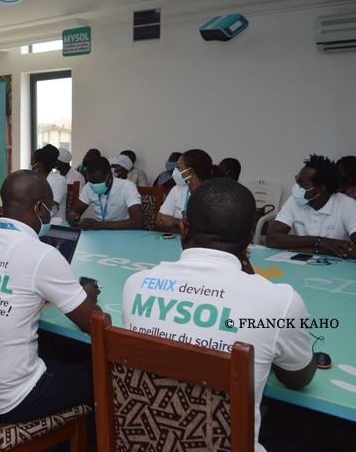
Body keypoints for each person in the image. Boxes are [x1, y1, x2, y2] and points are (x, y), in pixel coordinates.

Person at [122, 178, 316, 452]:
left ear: (184, 227)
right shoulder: (280, 302)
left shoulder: (136, 285)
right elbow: (297, 379)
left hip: (144, 441)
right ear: (249, 239)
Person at [0, 169, 100, 432]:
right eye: (51, 208)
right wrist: (86, 297)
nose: (51, 215)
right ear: (39, 207)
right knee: (100, 377)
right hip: (14, 397)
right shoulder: (42, 255)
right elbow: (96, 324)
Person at [266, 154, 356, 259]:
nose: (296, 187)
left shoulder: (348, 205)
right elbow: (271, 239)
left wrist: (317, 250)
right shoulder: (294, 201)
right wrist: (318, 241)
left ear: (320, 188)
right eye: (297, 181)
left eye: (302, 184)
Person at [68, 156, 143, 230]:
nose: (94, 185)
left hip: (124, 233)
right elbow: (74, 211)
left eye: (98, 181)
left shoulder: (127, 187)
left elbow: (138, 222)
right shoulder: (88, 187)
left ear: (109, 175)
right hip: (101, 233)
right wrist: (73, 217)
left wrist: (100, 225)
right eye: (91, 181)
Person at [155, 149, 221, 233]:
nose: (176, 171)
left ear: (190, 171)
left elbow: (207, 230)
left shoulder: (212, 193)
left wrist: (176, 222)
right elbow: (159, 221)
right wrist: (186, 230)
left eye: (179, 167)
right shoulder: (177, 190)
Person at [30, 144, 67, 221]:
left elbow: (49, 206)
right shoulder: (32, 179)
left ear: (39, 165)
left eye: (31, 163)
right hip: (35, 220)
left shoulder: (59, 180)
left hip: (54, 222)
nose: (30, 165)